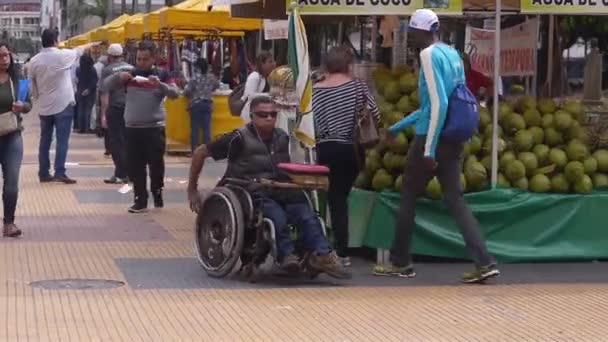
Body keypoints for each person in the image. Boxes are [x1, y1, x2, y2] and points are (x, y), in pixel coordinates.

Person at [373, 9, 499, 283]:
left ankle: (401, 262)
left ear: (420, 32)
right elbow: (431, 106)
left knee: (408, 195)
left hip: (432, 138)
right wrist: (395, 128)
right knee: (455, 199)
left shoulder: (428, 55)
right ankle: (484, 262)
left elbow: (439, 104)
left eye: (412, 32)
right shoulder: (452, 54)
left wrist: (428, 149)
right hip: (454, 137)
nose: (410, 37)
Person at [187, 96, 350, 279]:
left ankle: (322, 254)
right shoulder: (238, 138)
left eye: (273, 114)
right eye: (263, 115)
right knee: (275, 214)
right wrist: (192, 189)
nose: (269, 118)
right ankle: (286, 255)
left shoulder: (282, 137)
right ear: (252, 116)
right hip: (252, 191)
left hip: (281, 189)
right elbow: (200, 152)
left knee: (305, 212)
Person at [313, 47, 380, 267]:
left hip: (324, 149)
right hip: (349, 149)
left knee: (332, 198)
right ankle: (342, 251)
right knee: (339, 198)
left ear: (326, 66)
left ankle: (330, 243)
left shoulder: (316, 90)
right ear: (348, 65)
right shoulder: (358, 86)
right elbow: (375, 114)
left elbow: (311, 121)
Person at [104, 40, 179, 213]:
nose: (141, 63)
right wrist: (118, 77)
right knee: (135, 166)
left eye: (145, 59)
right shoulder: (130, 74)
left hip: (154, 128)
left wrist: (159, 84)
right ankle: (140, 200)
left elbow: (175, 94)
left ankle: (157, 191)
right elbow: (105, 85)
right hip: (132, 128)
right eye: (139, 59)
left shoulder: (163, 74)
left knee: (156, 165)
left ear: (154, 58)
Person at [28, 29, 99, 184]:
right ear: (55, 41)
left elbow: (32, 85)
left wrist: (37, 100)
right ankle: (60, 171)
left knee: (44, 140)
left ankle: (43, 173)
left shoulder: (34, 61)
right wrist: (92, 44)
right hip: (63, 104)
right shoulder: (62, 55)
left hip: (44, 107)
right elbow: (79, 50)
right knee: (62, 140)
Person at [0, 43, 31, 237]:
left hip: (12, 135)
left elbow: (29, 104)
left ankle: (9, 223)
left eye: (6, 55)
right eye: (0, 55)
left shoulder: (16, 80)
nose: (4, 59)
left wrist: (23, 106)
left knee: (11, 181)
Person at [99, 44, 134, 184]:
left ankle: (120, 173)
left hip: (116, 108)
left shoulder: (107, 70)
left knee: (116, 142)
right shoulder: (131, 68)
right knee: (128, 142)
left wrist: (103, 114)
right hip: (131, 108)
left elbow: (105, 92)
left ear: (109, 56)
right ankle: (131, 172)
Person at [183, 58, 220, 151]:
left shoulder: (195, 77)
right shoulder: (211, 77)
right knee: (207, 129)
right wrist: (209, 90)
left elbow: (187, 91)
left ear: (197, 67)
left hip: (195, 105)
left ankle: (194, 151)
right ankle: (207, 151)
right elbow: (217, 85)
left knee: (195, 129)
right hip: (207, 104)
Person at [240, 52, 275, 124]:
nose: (273, 64)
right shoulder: (254, 76)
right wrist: (269, 95)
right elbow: (249, 95)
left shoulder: (264, 78)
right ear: (262, 64)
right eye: (270, 62)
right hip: (249, 114)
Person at [75, 53, 98, 134]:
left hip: (80, 91)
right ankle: (87, 127)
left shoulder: (78, 69)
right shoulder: (92, 69)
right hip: (90, 92)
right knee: (88, 110)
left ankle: (81, 128)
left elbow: (77, 80)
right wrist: (88, 89)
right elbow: (95, 81)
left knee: (80, 109)